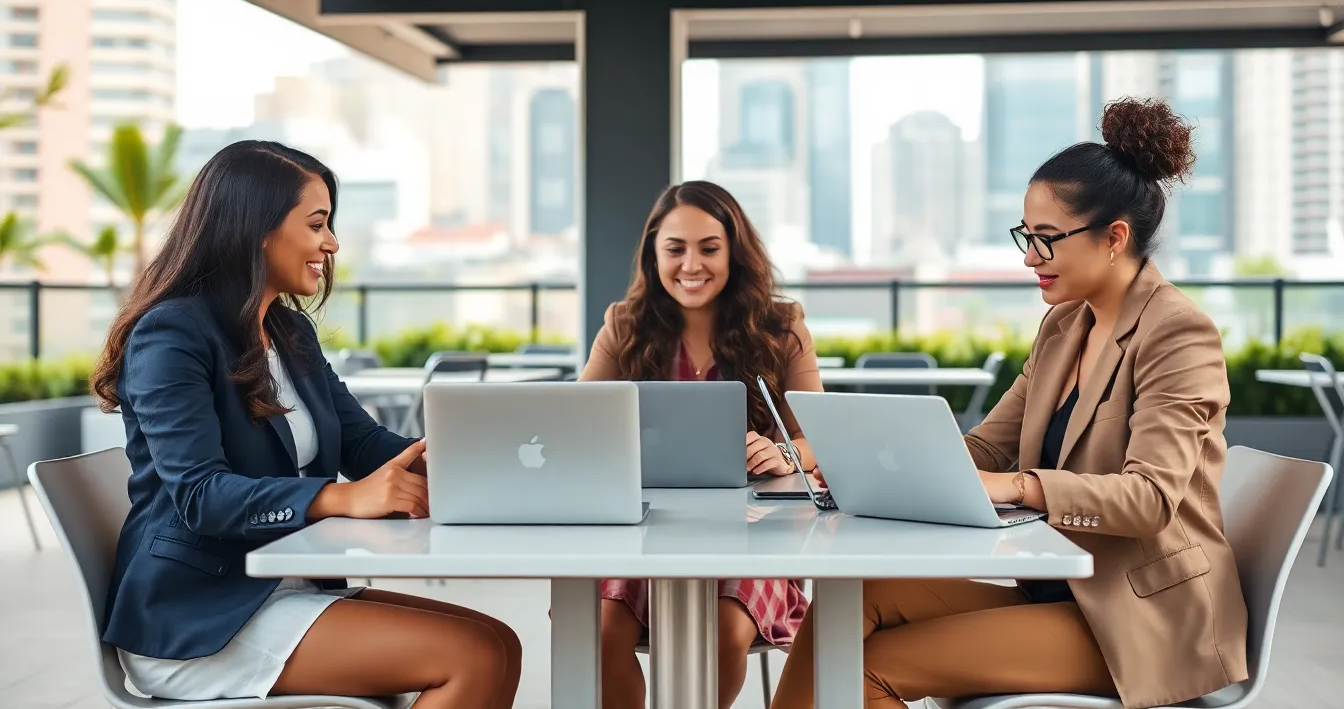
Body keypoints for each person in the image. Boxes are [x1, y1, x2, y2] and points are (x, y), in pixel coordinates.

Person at [771, 98, 1249, 709]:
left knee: (868, 669)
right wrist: (871, 464)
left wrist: (1020, 487)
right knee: (849, 600)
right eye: (1026, 236)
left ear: (1115, 238)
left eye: (1046, 240)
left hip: (1138, 619)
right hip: (1058, 592)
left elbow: (1151, 501)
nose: (1029, 257)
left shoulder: (1177, 333)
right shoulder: (1064, 327)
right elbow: (986, 446)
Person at [92, 141, 522, 709]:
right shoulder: (172, 334)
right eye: (317, 224)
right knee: (475, 656)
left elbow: (364, 444)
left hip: (282, 588)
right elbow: (201, 495)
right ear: (256, 228)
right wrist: (340, 499)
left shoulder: (289, 334)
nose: (332, 243)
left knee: (501, 643)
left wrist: (465, 460)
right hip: (200, 615)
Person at [580, 180, 823, 709]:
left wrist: (784, 453)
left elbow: (820, 438)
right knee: (597, 635)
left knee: (723, 635)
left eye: (709, 248)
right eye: (675, 249)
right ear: (654, 254)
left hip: (753, 533)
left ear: (735, 252)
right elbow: (577, 424)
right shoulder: (624, 325)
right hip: (644, 531)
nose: (692, 264)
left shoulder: (782, 325)